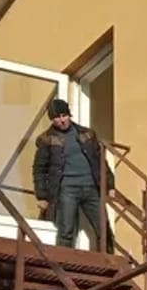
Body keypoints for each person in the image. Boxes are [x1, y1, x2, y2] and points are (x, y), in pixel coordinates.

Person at [33, 99, 114, 251]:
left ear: (69, 114)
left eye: (64, 115)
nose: (62, 120)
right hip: (67, 190)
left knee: (103, 228)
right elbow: (39, 169)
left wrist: (110, 185)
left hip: (91, 189)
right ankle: (63, 264)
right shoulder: (46, 139)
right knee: (66, 231)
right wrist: (42, 196)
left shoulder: (87, 134)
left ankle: (109, 261)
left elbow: (101, 161)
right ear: (52, 119)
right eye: (57, 117)